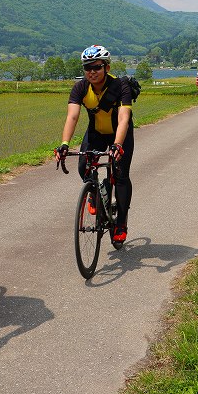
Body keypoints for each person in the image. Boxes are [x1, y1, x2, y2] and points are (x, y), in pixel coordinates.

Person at [54, 45, 135, 246]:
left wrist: (117, 145)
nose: (91, 72)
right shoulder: (80, 88)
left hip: (120, 133)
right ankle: (96, 193)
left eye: (96, 67)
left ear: (106, 67)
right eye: (87, 68)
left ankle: (121, 223)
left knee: (121, 174)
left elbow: (124, 118)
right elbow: (72, 116)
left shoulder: (121, 86)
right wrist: (64, 144)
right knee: (83, 167)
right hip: (96, 133)